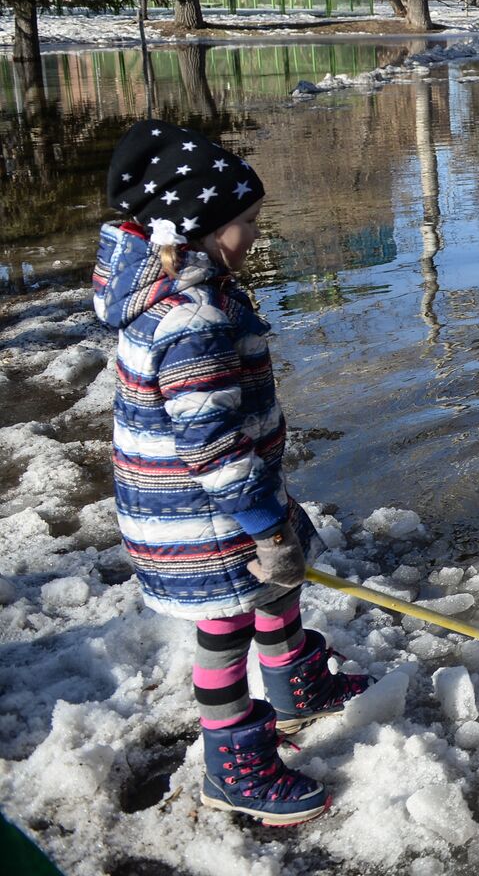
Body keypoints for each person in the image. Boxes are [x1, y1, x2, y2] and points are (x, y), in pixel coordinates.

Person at [93, 119, 371, 826]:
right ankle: (233, 763)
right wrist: (258, 522)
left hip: (209, 503)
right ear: (198, 229)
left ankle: (294, 685)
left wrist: (268, 517)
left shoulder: (183, 289)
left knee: (279, 575)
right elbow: (211, 443)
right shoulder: (192, 321)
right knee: (226, 627)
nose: (256, 235)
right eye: (246, 222)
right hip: (205, 516)